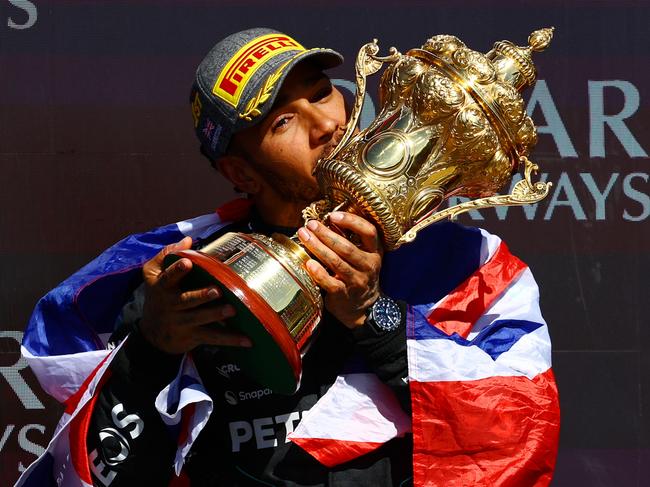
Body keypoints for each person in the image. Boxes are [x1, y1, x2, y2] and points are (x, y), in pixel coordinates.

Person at [18, 28, 560, 487]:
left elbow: (516, 445)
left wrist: (376, 317)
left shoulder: (470, 267)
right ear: (242, 173)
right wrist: (152, 353)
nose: (326, 124)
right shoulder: (186, 284)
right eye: (282, 121)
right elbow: (97, 475)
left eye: (323, 93)